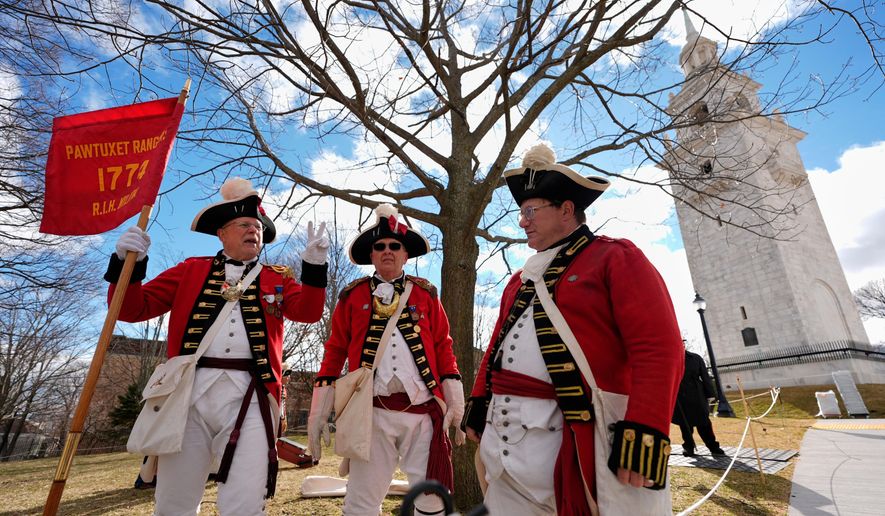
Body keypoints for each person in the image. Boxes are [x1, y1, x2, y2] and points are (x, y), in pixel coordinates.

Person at [461, 144, 684, 515]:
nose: (522, 221)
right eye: (521, 212)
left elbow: (658, 347)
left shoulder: (616, 257)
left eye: (531, 211)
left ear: (566, 209)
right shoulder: (518, 281)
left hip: (574, 441)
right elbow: (497, 344)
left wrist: (646, 428)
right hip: (504, 445)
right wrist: (479, 399)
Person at [107, 177, 329, 515]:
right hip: (188, 394)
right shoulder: (191, 270)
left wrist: (314, 268)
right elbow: (131, 308)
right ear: (222, 233)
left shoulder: (277, 277)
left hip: (251, 395)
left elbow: (309, 313)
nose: (254, 230)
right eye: (244, 224)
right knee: (174, 501)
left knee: (244, 501)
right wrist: (128, 264)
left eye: (257, 226)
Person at [307, 203, 465, 516]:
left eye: (395, 246)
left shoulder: (426, 293)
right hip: (372, 414)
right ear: (372, 255)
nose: (388, 251)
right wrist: (319, 411)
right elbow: (335, 349)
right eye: (380, 247)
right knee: (361, 501)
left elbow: (443, 346)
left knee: (432, 500)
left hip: (422, 413)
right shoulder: (351, 296)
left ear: (406, 255)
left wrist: (455, 403)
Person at [672, 345, 726, 457]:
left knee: (704, 423)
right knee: (685, 425)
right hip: (680, 396)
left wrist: (711, 395)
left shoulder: (696, 358)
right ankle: (688, 447)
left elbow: (705, 377)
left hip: (697, 395)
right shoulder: (671, 359)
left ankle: (713, 447)